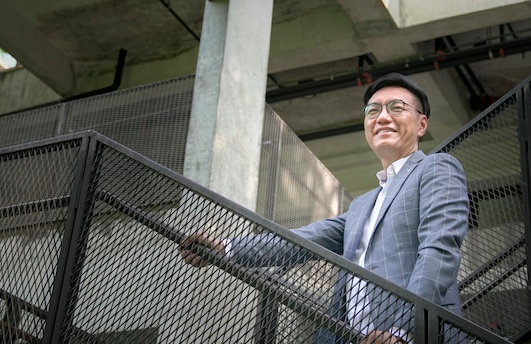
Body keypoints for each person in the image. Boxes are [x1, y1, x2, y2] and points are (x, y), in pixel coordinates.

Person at [179, 72, 469, 344]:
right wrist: (227, 249)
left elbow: (439, 251)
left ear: (421, 124)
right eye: (373, 111)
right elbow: (304, 240)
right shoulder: (362, 205)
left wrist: (403, 331)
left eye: (396, 108)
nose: (382, 117)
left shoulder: (437, 168)